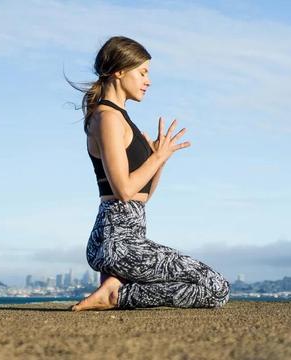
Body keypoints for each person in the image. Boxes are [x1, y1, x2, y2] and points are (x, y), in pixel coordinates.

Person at [65, 36, 230, 310]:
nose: (148, 80)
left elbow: (142, 196)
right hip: (117, 241)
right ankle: (117, 296)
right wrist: (158, 157)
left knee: (205, 286)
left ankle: (114, 285)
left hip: (127, 238)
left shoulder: (119, 118)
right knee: (217, 288)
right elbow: (124, 190)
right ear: (119, 71)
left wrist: (159, 160)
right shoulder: (107, 118)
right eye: (142, 72)